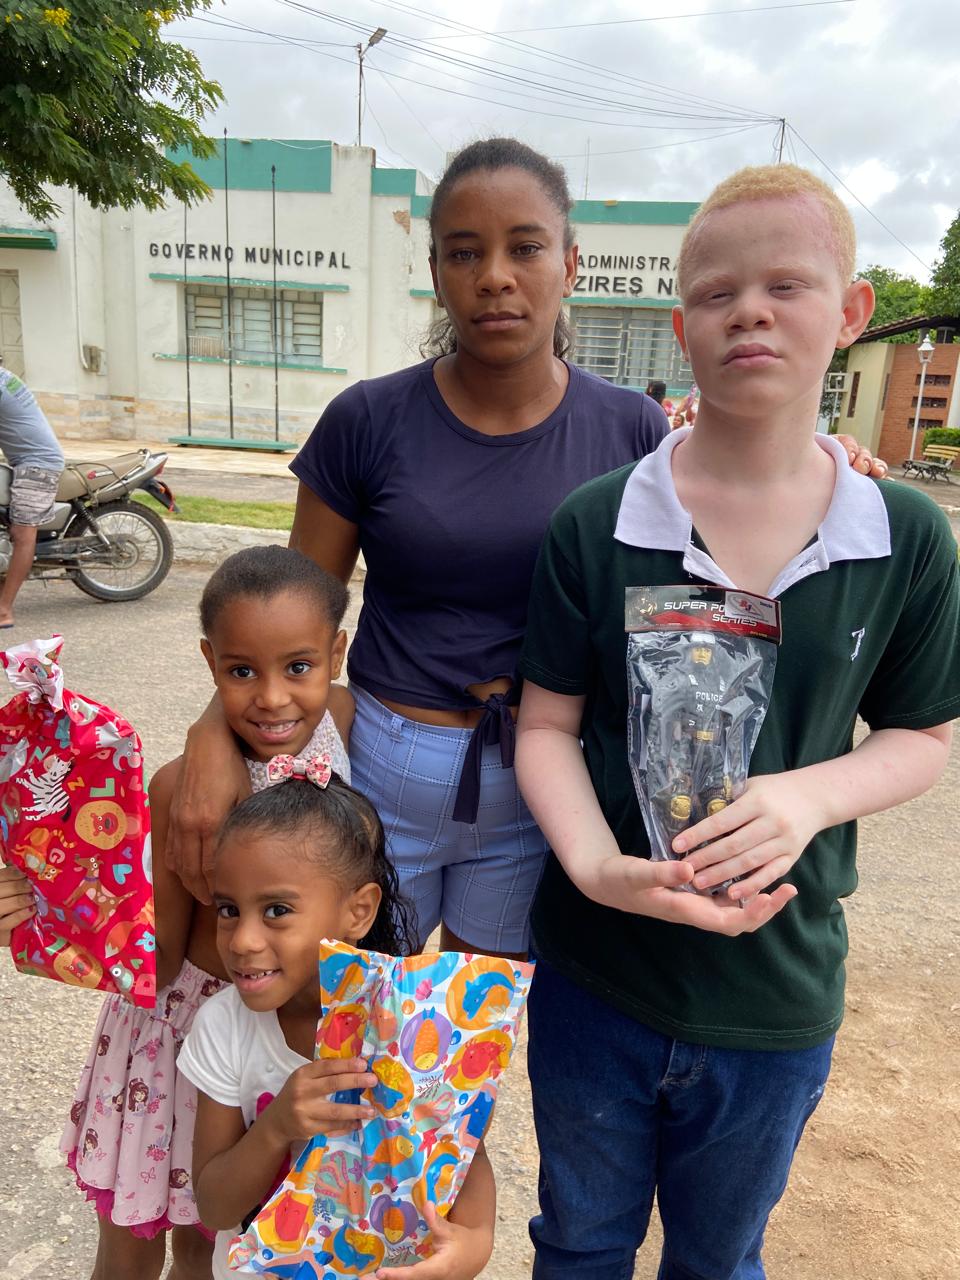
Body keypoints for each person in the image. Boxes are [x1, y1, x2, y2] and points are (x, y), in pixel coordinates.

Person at [166, 140, 886, 960]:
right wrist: (212, 735)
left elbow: (742, 484)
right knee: (349, 1005)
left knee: (481, 1017)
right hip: (382, 765)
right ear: (435, 271)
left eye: (526, 248)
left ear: (570, 265)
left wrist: (830, 462)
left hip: (544, 784)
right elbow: (282, 619)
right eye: (464, 252)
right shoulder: (366, 421)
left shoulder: (632, 430)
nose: (495, 276)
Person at [514, 163, 960, 1279]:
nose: (749, 311)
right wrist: (595, 866)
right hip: (598, 975)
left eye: (786, 285)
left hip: (777, 993)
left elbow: (922, 736)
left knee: (719, 1260)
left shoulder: (906, 538)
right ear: (682, 327)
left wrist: (808, 795)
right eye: (717, 293)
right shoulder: (596, 525)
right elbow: (545, 727)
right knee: (577, 1245)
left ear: (851, 312)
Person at [59, 545, 354, 1280]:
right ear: (209, 663)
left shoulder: (342, 722)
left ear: (336, 656)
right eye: (241, 671)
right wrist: (57, 916)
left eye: (298, 667)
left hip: (268, 1044)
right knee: (130, 1243)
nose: (273, 698)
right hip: (179, 1042)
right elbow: (155, 963)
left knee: (212, 1242)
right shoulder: (178, 790)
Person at [177, 775, 496, 1280]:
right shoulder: (223, 1027)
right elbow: (214, 1208)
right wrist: (276, 1127)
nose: (242, 940)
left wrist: (472, 1244)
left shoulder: (411, 1023)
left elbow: (463, 1154)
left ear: (358, 911)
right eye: (229, 910)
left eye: (276, 910)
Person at [0, 362, 65, 627]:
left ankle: (4, 611)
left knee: (22, 534)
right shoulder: (4, 376)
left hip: (38, 464)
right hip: (24, 461)